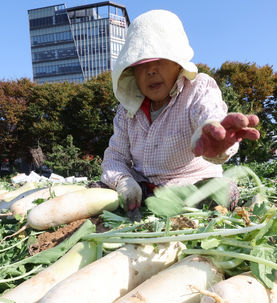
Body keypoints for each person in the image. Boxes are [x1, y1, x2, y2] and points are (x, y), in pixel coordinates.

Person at [100, 9, 260, 212]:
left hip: (190, 186)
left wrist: (216, 137)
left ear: (177, 63)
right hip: (143, 188)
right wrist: (124, 182)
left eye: (160, 60)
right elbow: (115, 157)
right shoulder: (127, 111)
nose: (151, 70)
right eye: (142, 65)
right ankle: (142, 202)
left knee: (221, 190)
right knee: (100, 190)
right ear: (130, 71)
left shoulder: (198, 89)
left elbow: (210, 115)